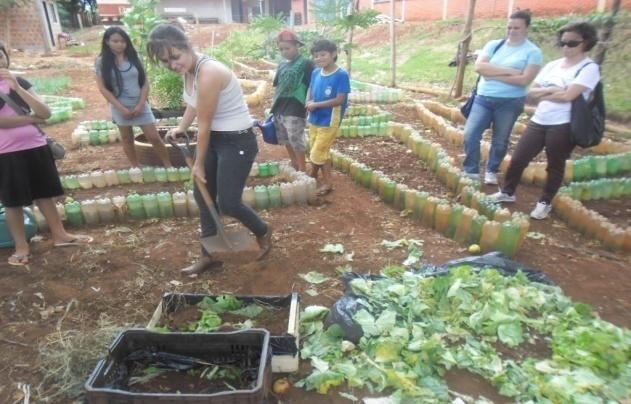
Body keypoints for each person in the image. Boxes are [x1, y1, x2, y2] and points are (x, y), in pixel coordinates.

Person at [146, 23, 272, 275]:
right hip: (215, 139)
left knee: (228, 202)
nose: (172, 64)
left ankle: (262, 230)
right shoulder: (190, 71)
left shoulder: (209, 72)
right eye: (165, 61)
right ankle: (209, 254)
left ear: (187, 47)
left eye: (175, 56)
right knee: (203, 198)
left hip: (237, 142)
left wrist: (199, 164)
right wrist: (182, 127)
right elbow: (195, 104)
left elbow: (203, 125)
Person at [490, 22, 601, 220]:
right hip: (540, 119)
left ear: (586, 43)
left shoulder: (589, 68)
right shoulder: (553, 66)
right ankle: (507, 192)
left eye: (572, 43)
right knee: (518, 159)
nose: (566, 46)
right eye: (563, 42)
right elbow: (531, 92)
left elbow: (569, 96)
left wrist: (548, 92)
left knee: (555, 165)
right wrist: (553, 91)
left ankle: (545, 202)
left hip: (564, 123)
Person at [0, 41, 92, 266]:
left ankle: (60, 235)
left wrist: (18, 89)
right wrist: (32, 119)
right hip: (7, 152)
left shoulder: (20, 82)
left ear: (6, 56)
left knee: (44, 194)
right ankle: (21, 246)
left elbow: (46, 112)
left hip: (36, 146)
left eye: (0, 55)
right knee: (13, 201)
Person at [463, 9, 543, 185]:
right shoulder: (494, 45)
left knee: (500, 139)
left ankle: (492, 169)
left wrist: (492, 74)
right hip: (483, 98)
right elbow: (479, 67)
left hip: (510, 102)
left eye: (517, 28)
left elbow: (524, 80)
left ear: (526, 28)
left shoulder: (533, 52)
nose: (512, 31)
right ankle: (471, 170)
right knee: (470, 134)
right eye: (509, 27)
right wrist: (509, 72)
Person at [95, 27, 172, 168]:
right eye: (115, 41)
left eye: (123, 41)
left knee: (154, 138)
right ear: (107, 42)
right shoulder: (101, 61)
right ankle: (135, 166)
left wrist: (141, 104)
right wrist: (121, 108)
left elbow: (145, 83)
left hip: (140, 104)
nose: (120, 44)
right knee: (127, 138)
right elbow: (102, 88)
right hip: (119, 105)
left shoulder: (135, 57)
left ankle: (168, 165)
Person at [306, 39, 351, 196]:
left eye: (322, 55)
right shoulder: (316, 72)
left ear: (333, 54)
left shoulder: (341, 75)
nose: (319, 58)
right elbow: (311, 89)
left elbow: (340, 100)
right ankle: (317, 177)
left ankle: (325, 182)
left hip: (329, 119)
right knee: (318, 149)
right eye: (316, 56)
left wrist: (316, 105)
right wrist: (308, 102)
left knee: (318, 151)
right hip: (314, 118)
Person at [271, 29, 315, 172]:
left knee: (296, 139)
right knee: (285, 138)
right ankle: (294, 162)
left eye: (287, 48)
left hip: (296, 107)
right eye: (281, 49)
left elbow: (312, 85)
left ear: (297, 46)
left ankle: (302, 169)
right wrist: (274, 105)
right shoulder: (282, 65)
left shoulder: (306, 63)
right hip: (280, 108)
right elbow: (277, 86)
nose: (284, 52)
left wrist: (310, 104)